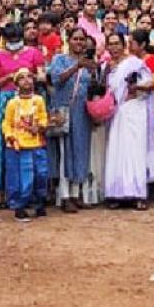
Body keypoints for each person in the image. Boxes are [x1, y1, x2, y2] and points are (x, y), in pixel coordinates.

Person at [0, 24, 46, 208]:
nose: (13, 43)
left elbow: (42, 77)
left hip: (29, 101)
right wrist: (9, 78)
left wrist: (25, 77)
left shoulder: (34, 53)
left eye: (16, 38)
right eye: (10, 39)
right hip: (2, 100)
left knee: (30, 146)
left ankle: (31, 194)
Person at [104, 31, 154, 209]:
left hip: (134, 110)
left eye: (117, 43)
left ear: (123, 44)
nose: (114, 47)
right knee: (117, 151)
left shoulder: (134, 63)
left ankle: (138, 194)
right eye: (110, 44)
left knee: (135, 152)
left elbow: (151, 83)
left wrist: (135, 87)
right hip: (116, 113)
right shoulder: (108, 67)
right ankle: (117, 194)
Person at [47, 28, 98, 212]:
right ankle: (64, 195)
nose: (79, 42)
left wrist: (93, 75)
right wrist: (77, 67)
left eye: (82, 39)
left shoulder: (90, 63)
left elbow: (94, 88)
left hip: (82, 113)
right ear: (68, 40)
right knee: (64, 153)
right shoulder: (59, 59)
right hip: (63, 110)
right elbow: (56, 79)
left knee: (80, 151)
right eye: (75, 39)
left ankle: (76, 194)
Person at [3, 68, 49, 222]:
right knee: (22, 177)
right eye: (22, 78)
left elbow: (43, 118)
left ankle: (39, 203)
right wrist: (10, 137)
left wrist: (41, 127)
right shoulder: (12, 103)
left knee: (40, 174)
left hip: (36, 144)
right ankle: (20, 207)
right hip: (19, 146)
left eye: (29, 77)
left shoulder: (39, 100)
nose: (27, 80)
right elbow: (7, 123)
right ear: (16, 83)